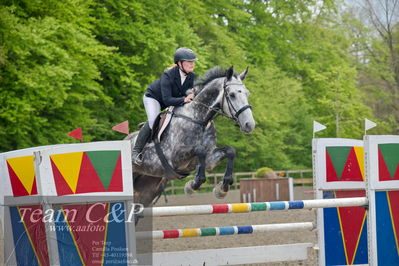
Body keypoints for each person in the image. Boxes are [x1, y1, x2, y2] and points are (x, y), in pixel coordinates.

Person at [132, 47, 197, 165]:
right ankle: (136, 151)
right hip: (154, 98)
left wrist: (192, 93)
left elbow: (188, 92)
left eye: (193, 61)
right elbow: (167, 100)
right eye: (189, 61)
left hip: (174, 100)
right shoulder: (168, 75)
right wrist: (184, 99)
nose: (192, 64)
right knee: (154, 119)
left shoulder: (192, 76)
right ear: (179, 63)